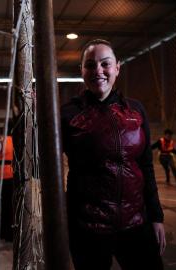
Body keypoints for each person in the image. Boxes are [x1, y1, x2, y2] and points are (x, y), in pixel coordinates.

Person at [61, 39, 165, 269]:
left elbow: (146, 166)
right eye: (90, 65)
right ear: (82, 71)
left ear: (117, 67)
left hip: (136, 223)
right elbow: (41, 162)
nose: (98, 70)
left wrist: (156, 217)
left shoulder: (136, 110)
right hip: (89, 229)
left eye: (105, 64)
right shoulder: (69, 114)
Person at [0, 135, 14, 242]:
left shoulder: (1, 140)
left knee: (1, 204)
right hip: (12, 175)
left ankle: (1, 231)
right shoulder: (17, 140)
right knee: (10, 205)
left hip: (1, 176)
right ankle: (10, 233)